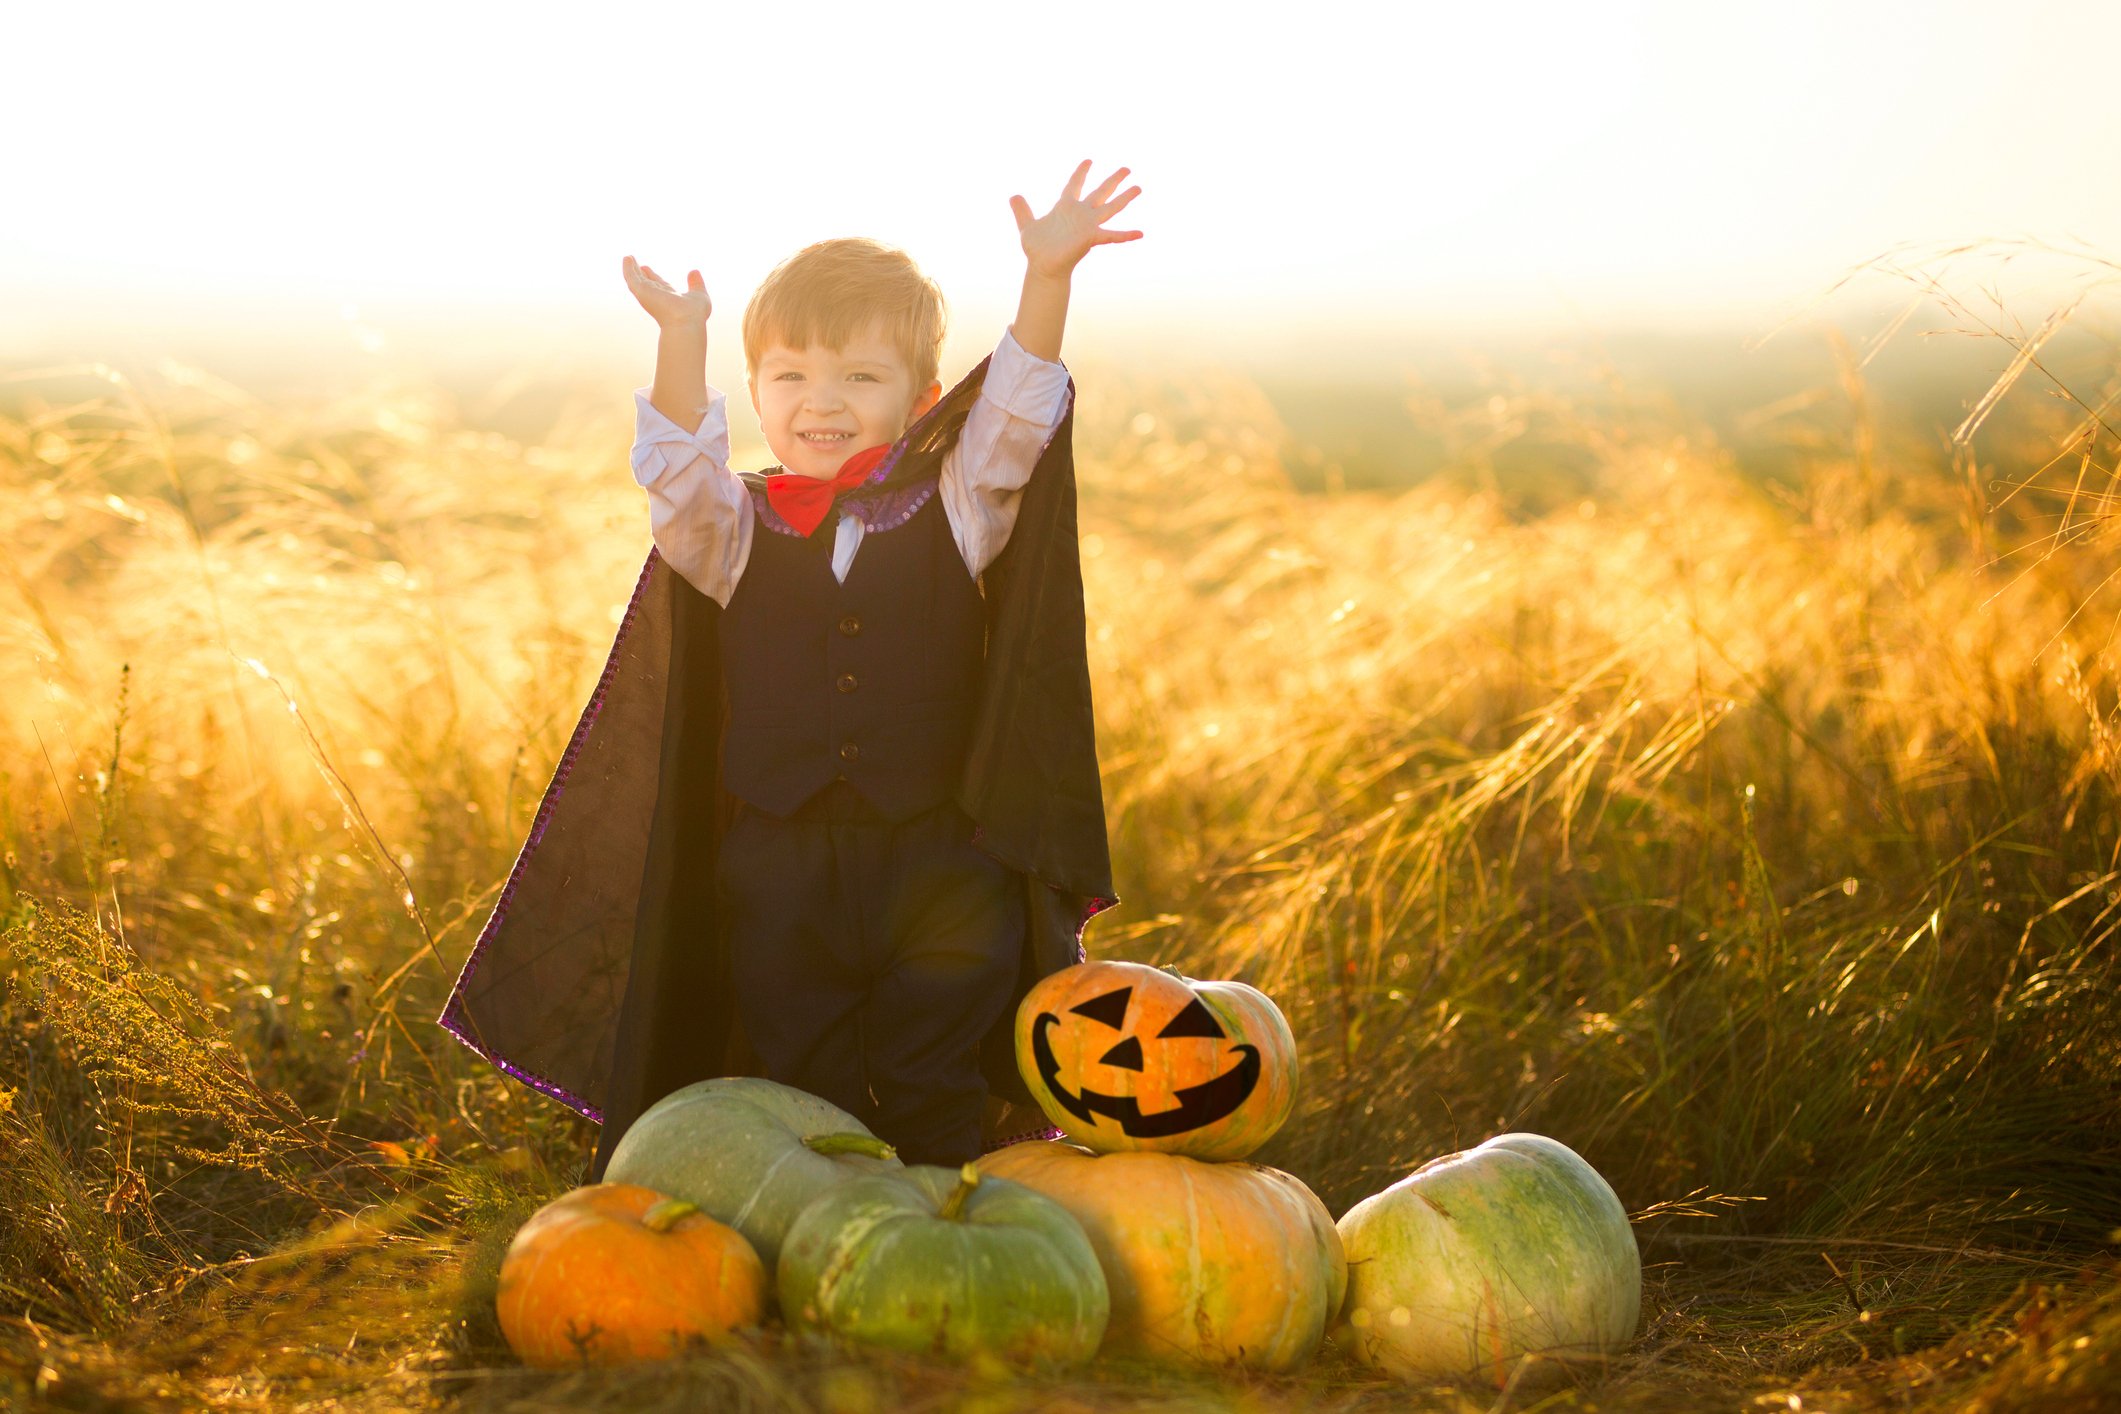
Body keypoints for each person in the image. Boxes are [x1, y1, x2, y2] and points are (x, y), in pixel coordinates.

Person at [436, 163, 1140, 1177]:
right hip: (778, 865)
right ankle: (809, 1244)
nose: (823, 403)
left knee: (931, 1070)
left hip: (939, 859)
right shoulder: (730, 527)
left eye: (861, 378)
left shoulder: (956, 506)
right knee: (793, 1072)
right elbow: (676, 466)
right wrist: (683, 342)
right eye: (793, 377)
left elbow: (1018, 414)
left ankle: (939, 1241)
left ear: (922, 398)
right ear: (756, 391)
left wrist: (1047, 279)